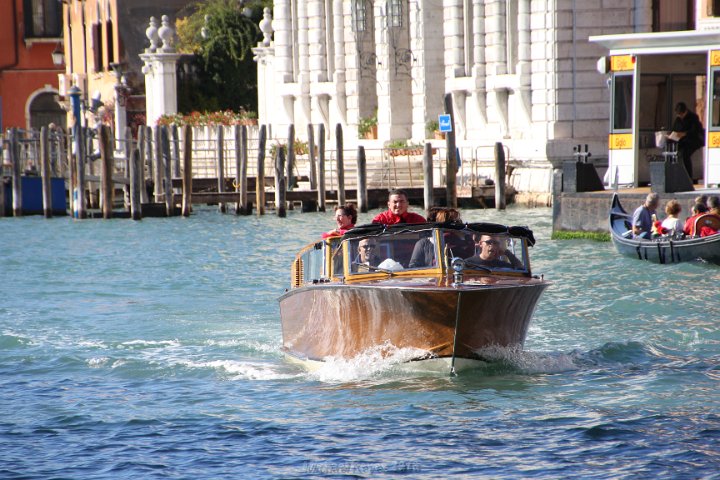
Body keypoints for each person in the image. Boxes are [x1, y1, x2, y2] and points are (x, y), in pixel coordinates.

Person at [670, 102, 705, 180]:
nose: (680, 116)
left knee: (685, 154)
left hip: (692, 140)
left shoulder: (693, 117)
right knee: (673, 151)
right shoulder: (678, 119)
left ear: (685, 111)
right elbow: (674, 129)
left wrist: (684, 134)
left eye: (681, 114)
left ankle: (688, 177)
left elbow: (695, 131)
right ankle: (675, 176)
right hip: (681, 141)